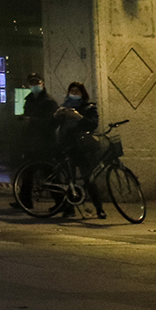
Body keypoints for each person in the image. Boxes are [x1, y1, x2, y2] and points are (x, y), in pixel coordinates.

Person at [54, 81, 105, 218]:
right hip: (67, 146)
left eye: (77, 92)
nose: (74, 94)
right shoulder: (65, 107)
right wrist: (57, 116)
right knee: (69, 180)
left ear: (82, 93)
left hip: (82, 148)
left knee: (88, 178)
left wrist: (79, 117)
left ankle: (99, 208)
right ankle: (69, 208)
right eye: (72, 92)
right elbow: (57, 125)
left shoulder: (89, 107)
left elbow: (93, 124)